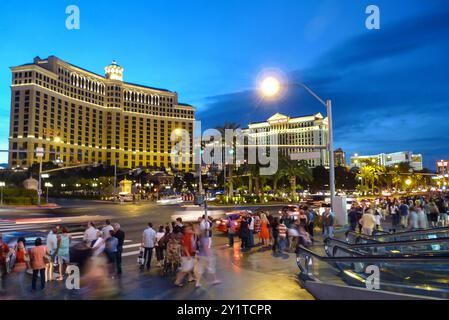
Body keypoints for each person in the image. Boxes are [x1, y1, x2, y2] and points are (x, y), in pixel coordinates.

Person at [193, 224, 220, 288]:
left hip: (200, 255)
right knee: (211, 268)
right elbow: (206, 248)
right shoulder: (204, 238)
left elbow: (196, 247)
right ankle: (215, 280)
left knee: (200, 270)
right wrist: (209, 255)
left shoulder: (197, 238)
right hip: (205, 256)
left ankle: (197, 283)